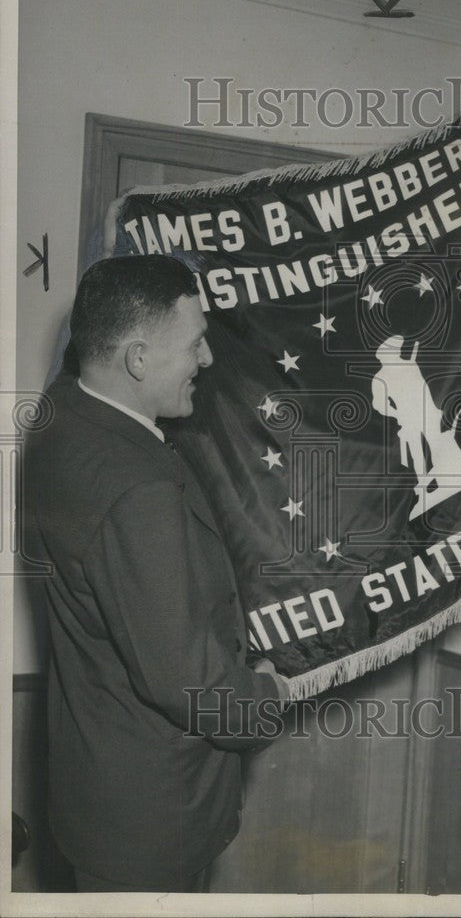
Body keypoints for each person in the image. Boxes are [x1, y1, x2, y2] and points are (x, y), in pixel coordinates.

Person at [24, 256, 289, 893]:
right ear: (137, 359)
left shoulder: (63, 413)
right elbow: (187, 682)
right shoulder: (137, 490)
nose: (207, 360)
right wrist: (269, 700)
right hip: (154, 822)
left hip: (101, 791)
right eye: (195, 342)